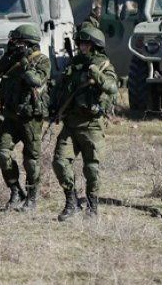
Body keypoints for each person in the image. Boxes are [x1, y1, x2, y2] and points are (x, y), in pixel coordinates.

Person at [49, 25, 118, 220]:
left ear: (95, 46)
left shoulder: (104, 66)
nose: (82, 47)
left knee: (92, 169)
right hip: (70, 124)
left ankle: (92, 206)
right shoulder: (73, 66)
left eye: (86, 44)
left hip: (91, 126)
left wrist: (96, 73)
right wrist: (53, 107)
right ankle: (71, 201)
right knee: (59, 163)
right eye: (80, 43)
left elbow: (112, 88)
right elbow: (59, 88)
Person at [0, 24, 51, 211]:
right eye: (13, 41)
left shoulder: (41, 60)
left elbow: (35, 80)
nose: (14, 44)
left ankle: (31, 197)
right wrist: (8, 57)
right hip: (9, 115)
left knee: (31, 159)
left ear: (28, 43)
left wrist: (24, 61)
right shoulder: (11, 59)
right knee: (1, 152)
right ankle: (15, 190)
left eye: (18, 42)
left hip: (30, 117)